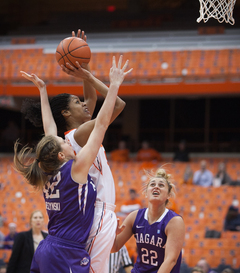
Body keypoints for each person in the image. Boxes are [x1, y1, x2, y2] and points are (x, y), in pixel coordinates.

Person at [21, 29, 132, 273]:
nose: (84, 104)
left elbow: (53, 125)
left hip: (63, 236)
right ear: (67, 114)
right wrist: (109, 83)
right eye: (77, 102)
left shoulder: (62, 144)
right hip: (96, 212)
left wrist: (84, 65)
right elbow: (111, 111)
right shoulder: (79, 136)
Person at [112, 167, 185, 273]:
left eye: (161, 185)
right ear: (146, 193)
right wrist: (112, 236)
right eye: (152, 184)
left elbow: (171, 260)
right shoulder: (134, 216)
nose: (156, 187)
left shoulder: (174, 221)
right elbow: (114, 248)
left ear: (169, 195)